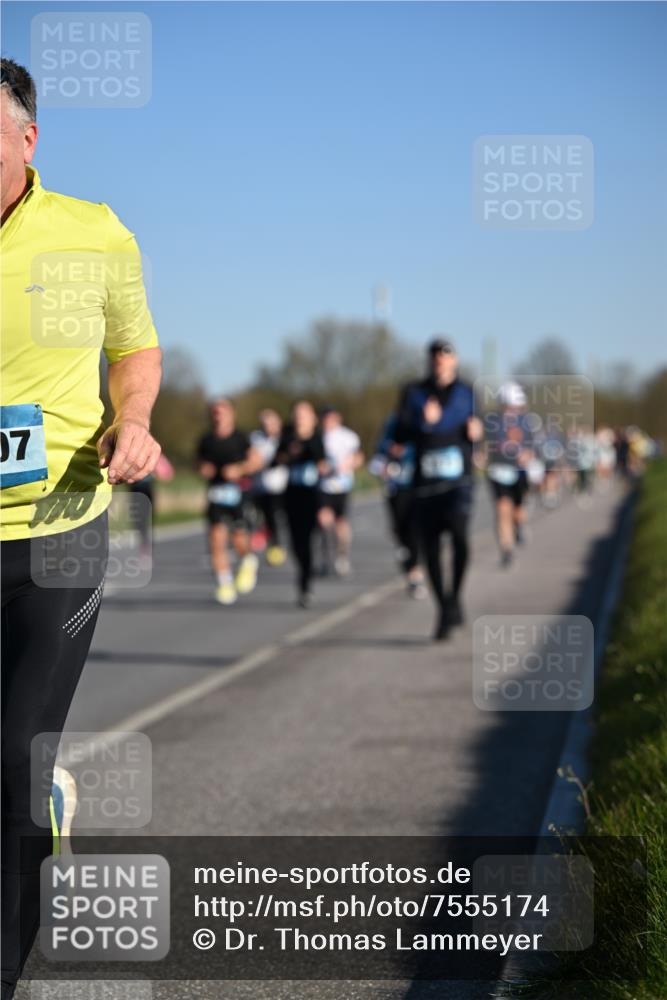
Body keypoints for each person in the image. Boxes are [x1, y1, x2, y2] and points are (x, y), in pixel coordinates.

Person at [0, 59, 162, 999]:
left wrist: (131, 421)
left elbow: (135, 351)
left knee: (14, 757)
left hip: (60, 526)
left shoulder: (91, 233)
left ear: (27, 139)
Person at [394, 339, 482, 640]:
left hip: (458, 483)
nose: (440, 361)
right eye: (435, 357)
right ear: (429, 361)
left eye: (445, 356)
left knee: (460, 540)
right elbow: (400, 432)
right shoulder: (413, 393)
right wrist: (422, 421)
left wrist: (477, 435)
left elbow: (477, 432)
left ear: (454, 360)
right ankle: (443, 607)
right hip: (425, 485)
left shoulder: (467, 392)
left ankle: (454, 596)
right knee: (430, 550)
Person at [197, 399, 263, 605]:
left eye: (222, 412)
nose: (218, 416)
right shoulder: (206, 440)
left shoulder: (241, 438)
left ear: (231, 414)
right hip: (216, 493)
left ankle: (248, 559)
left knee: (238, 538)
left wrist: (239, 470)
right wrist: (202, 468)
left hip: (238, 493)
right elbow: (198, 462)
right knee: (216, 539)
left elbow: (257, 461)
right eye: (214, 412)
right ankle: (224, 583)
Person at [275, 400, 327, 608]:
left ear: (312, 418)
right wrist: (288, 455)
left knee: (308, 539)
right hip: (292, 495)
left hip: (313, 495)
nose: (299, 418)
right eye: (296, 414)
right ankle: (304, 575)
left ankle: (306, 583)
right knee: (296, 544)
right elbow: (275, 460)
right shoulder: (287, 437)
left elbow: (322, 464)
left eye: (304, 414)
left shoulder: (318, 438)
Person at [368, 413, 426, 599]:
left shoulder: (424, 421)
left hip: (419, 488)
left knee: (416, 531)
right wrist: (384, 467)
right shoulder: (392, 422)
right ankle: (408, 563)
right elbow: (376, 460)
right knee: (401, 532)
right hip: (396, 490)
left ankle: (414, 575)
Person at [484, 381, 534, 567]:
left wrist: (527, 454)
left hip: (519, 472)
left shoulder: (526, 422)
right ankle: (506, 549)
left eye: (516, 405)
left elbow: (531, 446)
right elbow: (486, 446)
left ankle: (519, 525)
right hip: (498, 471)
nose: (513, 409)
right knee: (502, 510)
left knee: (518, 510)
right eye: (509, 405)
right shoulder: (492, 422)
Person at [317, 406, 364, 577]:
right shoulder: (318, 436)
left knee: (341, 524)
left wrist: (348, 464)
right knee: (324, 522)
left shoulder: (348, 436)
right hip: (323, 486)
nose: (328, 422)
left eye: (331, 418)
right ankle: (324, 559)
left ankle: (342, 556)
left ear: (337, 418)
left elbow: (359, 457)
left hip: (342, 486)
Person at [249, 408, 288, 566]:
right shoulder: (255, 438)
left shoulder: (285, 439)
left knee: (276, 518)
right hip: (260, 486)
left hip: (281, 487)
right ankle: (272, 545)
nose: (267, 426)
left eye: (271, 422)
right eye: (264, 423)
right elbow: (250, 458)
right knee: (263, 517)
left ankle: (276, 546)